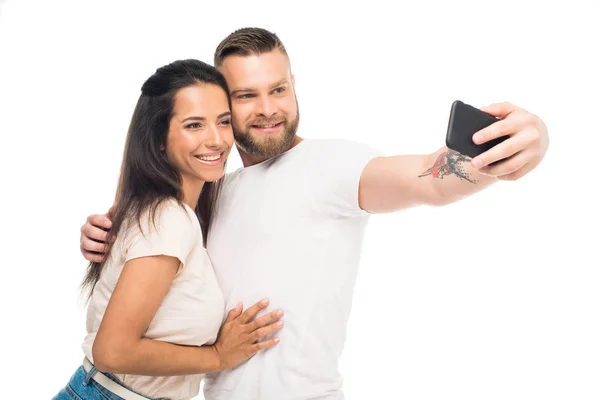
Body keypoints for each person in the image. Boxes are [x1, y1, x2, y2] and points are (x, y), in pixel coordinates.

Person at [80, 28, 550, 399]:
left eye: (278, 89)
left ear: (294, 87)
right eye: (245, 96)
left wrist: (523, 144)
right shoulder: (212, 191)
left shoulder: (332, 165)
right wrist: (104, 236)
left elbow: (430, 180)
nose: (267, 110)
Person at [56, 59, 283, 400]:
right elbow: (111, 351)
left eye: (223, 122)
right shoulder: (169, 218)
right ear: (159, 139)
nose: (217, 140)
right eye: (194, 125)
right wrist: (219, 356)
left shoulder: (173, 212)